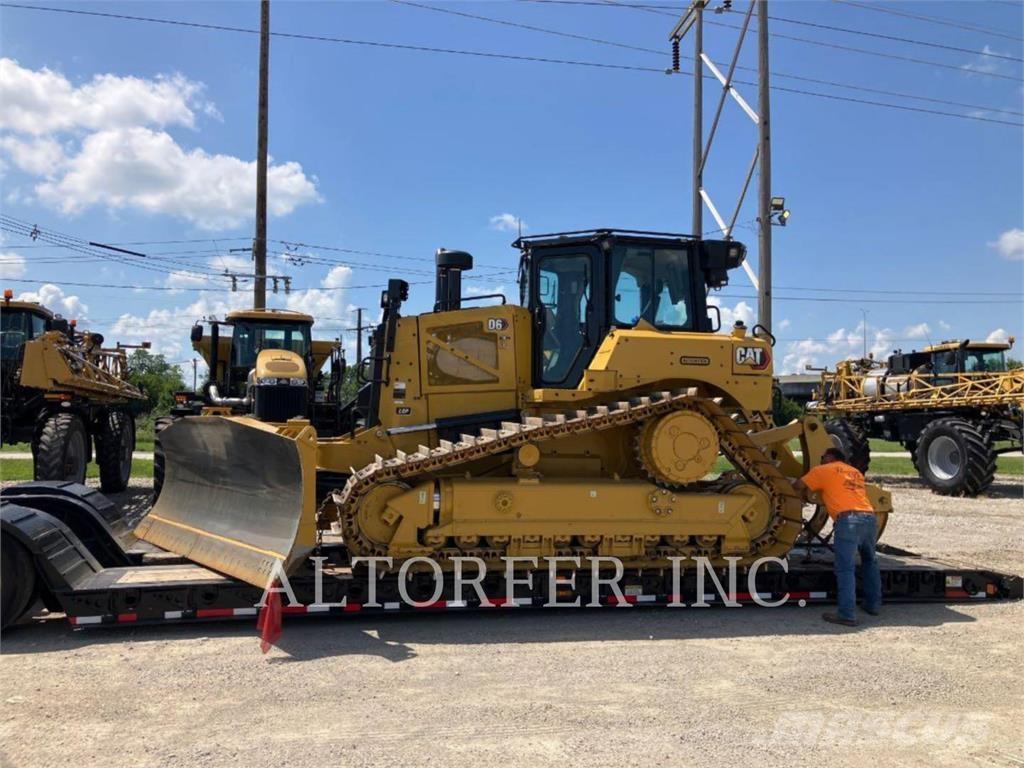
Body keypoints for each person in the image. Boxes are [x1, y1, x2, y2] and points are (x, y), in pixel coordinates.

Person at [794, 447, 882, 627]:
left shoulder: (823, 470)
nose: (820, 460)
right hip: (869, 518)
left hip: (848, 521)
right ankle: (873, 605)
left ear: (830, 457)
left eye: (822, 457)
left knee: (845, 568)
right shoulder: (855, 472)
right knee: (870, 562)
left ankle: (847, 614)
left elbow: (798, 486)